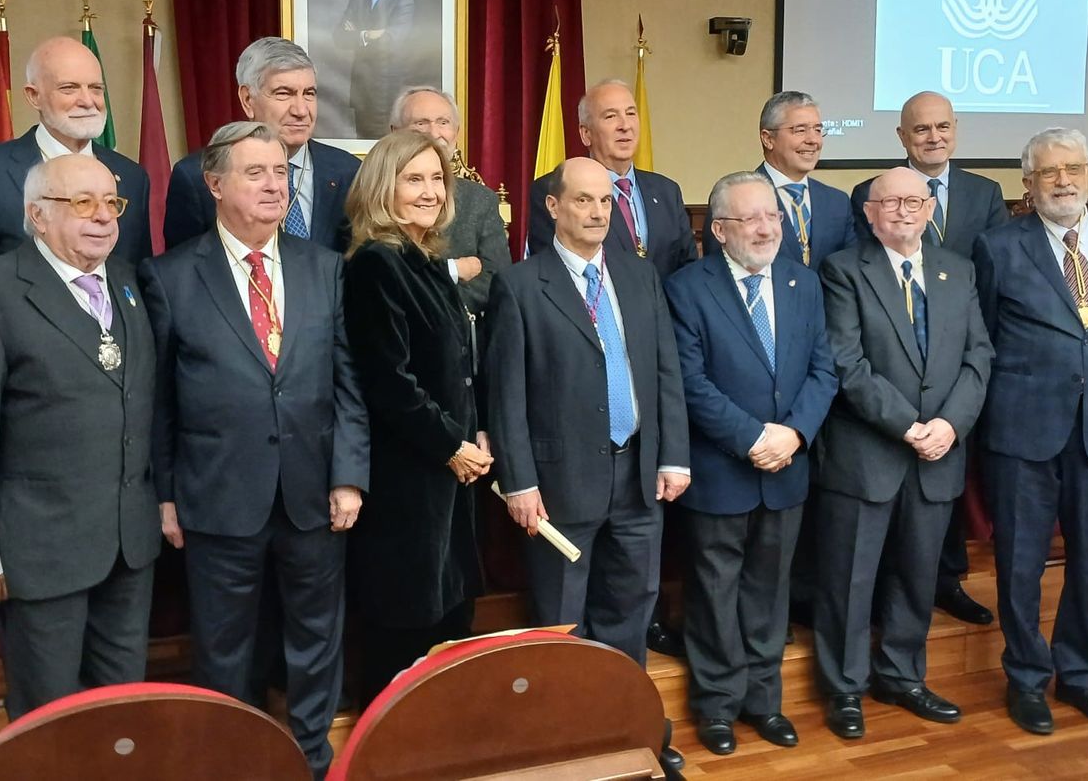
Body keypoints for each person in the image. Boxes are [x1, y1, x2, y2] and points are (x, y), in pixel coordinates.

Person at [139, 121, 366, 777]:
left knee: (317, 641)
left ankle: (313, 761)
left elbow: (349, 381)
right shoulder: (171, 277)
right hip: (216, 495)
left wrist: (349, 474)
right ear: (215, 185)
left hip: (316, 491)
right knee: (223, 648)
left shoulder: (324, 267)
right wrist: (166, 494)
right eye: (255, 173)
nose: (274, 186)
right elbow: (159, 402)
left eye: (280, 174)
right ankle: (230, 761)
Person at [0, 154, 160, 719]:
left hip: (128, 544)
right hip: (41, 547)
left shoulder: (127, 283)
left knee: (121, 711)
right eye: (82, 203)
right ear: (37, 215)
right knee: (47, 717)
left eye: (112, 203)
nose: (103, 217)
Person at [487, 156, 690, 775]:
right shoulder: (522, 284)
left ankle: (625, 730)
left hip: (639, 475)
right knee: (561, 620)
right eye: (583, 201)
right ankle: (561, 741)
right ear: (553, 207)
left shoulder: (638, 275)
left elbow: (664, 373)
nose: (599, 212)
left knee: (631, 609)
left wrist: (673, 454)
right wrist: (518, 481)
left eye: (606, 201)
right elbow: (506, 395)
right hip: (557, 486)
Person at [974, 127, 1088, 737]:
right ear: (1028, 184)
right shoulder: (997, 246)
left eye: (1073, 168)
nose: (1064, 181)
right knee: (1020, 560)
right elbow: (986, 339)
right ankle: (1025, 676)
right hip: (1023, 430)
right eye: (1049, 172)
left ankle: (1080, 674)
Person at [813, 167, 994, 740]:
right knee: (850, 578)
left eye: (915, 200)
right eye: (889, 202)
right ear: (868, 212)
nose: (904, 210)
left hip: (939, 452)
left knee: (917, 573)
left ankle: (902, 675)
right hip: (868, 453)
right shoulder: (842, 270)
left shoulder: (956, 270)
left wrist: (949, 425)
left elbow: (979, 357)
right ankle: (843, 688)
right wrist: (910, 426)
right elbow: (848, 365)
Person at [664, 171, 838, 755]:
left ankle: (764, 702)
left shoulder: (802, 282)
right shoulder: (687, 288)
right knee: (714, 593)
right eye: (751, 219)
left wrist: (793, 435)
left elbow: (823, 370)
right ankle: (715, 706)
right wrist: (750, 438)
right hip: (720, 470)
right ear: (718, 230)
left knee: (770, 592)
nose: (767, 229)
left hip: (788, 466)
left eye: (773, 217)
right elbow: (689, 382)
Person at [850, 91, 1008, 627]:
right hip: (894, 363)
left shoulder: (985, 193)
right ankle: (893, 593)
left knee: (948, 489)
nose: (934, 136)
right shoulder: (870, 195)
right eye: (921, 130)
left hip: (956, 360)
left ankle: (948, 580)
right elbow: (868, 277)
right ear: (902, 137)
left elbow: (987, 279)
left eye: (943, 127)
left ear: (956, 130)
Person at [341, 130, 489, 704]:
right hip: (408, 481)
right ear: (384, 186)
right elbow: (389, 382)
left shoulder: (426, 260)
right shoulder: (377, 263)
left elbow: (457, 370)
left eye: (436, 179)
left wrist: (468, 436)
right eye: (413, 179)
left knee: (446, 625)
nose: (429, 192)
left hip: (448, 476)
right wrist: (451, 445)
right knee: (404, 631)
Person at [0, 37, 152, 292]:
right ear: (33, 96)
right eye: (69, 88)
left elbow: (139, 282)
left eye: (96, 88)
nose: (87, 100)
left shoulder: (132, 177)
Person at [165, 37, 361, 252]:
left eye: (309, 94)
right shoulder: (196, 176)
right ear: (248, 99)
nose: (301, 110)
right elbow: (182, 273)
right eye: (284, 93)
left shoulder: (349, 172)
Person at [527, 80, 698, 281]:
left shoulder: (667, 191)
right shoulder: (554, 189)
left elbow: (688, 269)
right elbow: (551, 274)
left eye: (631, 113)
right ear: (586, 134)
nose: (625, 126)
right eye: (610, 116)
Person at [390, 86, 511, 320]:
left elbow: (497, 279)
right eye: (421, 123)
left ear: (456, 132)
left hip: (463, 339)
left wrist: (429, 303)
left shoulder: (481, 200)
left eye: (443, 122)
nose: (434, 133)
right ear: (395, 132)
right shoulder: (376, 194)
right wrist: (454, 273)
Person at [701, 91, 855, 270]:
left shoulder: (837, 202)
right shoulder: (735, 196)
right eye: (800, 130)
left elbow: (850, 272)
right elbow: (717, 271)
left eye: (818, 130)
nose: (813, 140)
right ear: (768, 139)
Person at [335, 0, 416, 139]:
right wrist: (369, 34)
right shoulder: (357, 0)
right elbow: (339, 38)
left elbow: (391, 40)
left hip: (386, 92)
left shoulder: (403, 1)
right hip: (361, 92)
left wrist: (358, 33)